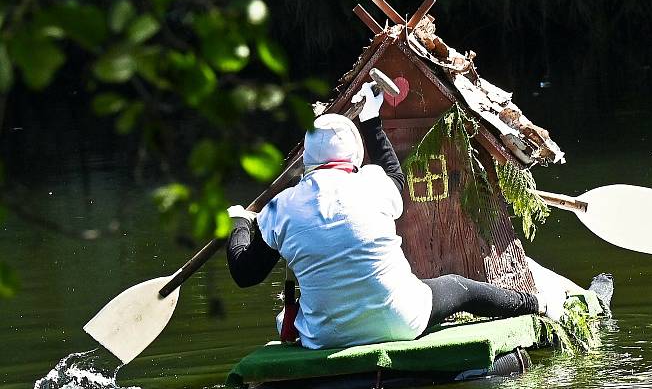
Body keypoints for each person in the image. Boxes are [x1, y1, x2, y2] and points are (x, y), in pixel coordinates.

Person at [226, 82, 571, 349]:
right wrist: (373, 120)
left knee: (283, 318)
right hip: (401, 320)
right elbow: (395, 174)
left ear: (308, 159)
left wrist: (239, 223)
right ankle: (542, 306)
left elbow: (245, 272)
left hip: (326, 338)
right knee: (458, 287)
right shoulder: (372, 183)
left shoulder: (280, 207)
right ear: (355, 156)